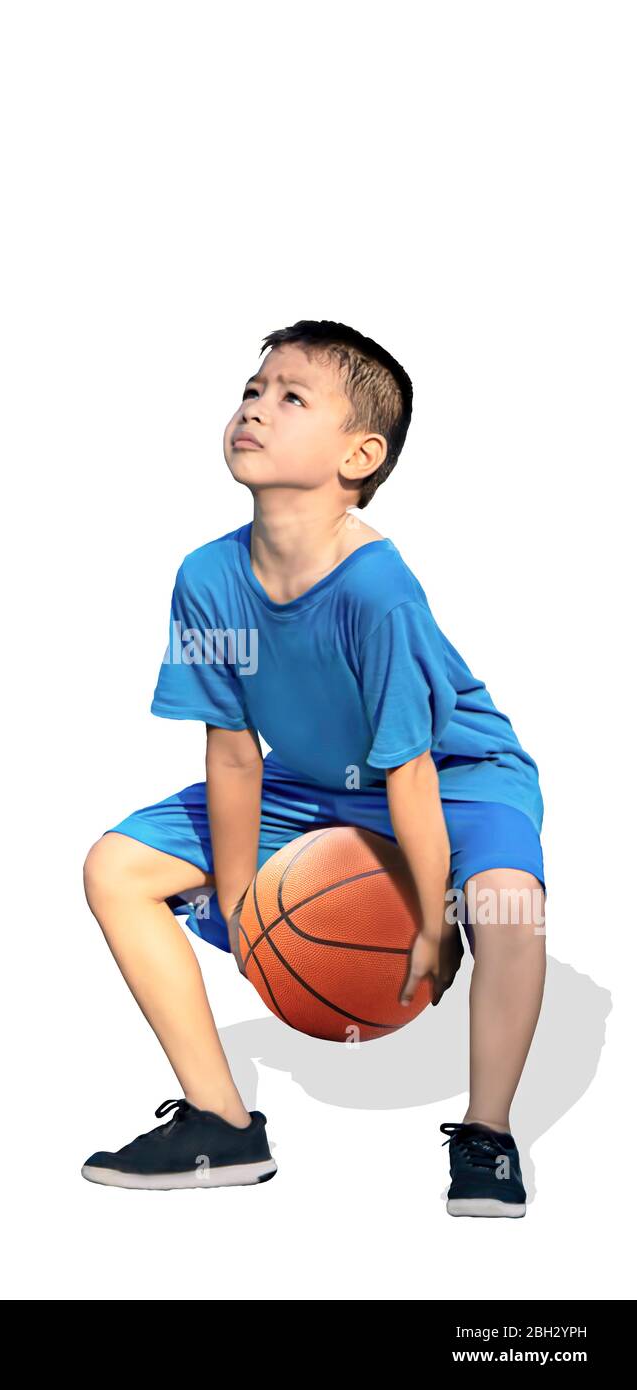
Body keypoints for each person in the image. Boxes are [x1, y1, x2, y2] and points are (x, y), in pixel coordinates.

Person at [82, 319, 546, 1215]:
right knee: (114, 868)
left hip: (453, 772)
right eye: (252, 390)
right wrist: (241, 896)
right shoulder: (207, 576)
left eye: (291, 397)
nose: (255, 407)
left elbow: (408, 767)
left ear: (358, 453)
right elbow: (230, 752)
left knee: (508, 908)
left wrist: (427, 916)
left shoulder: (376, 587)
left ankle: (487, 1138)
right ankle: (220, 1123)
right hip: (311, 777)